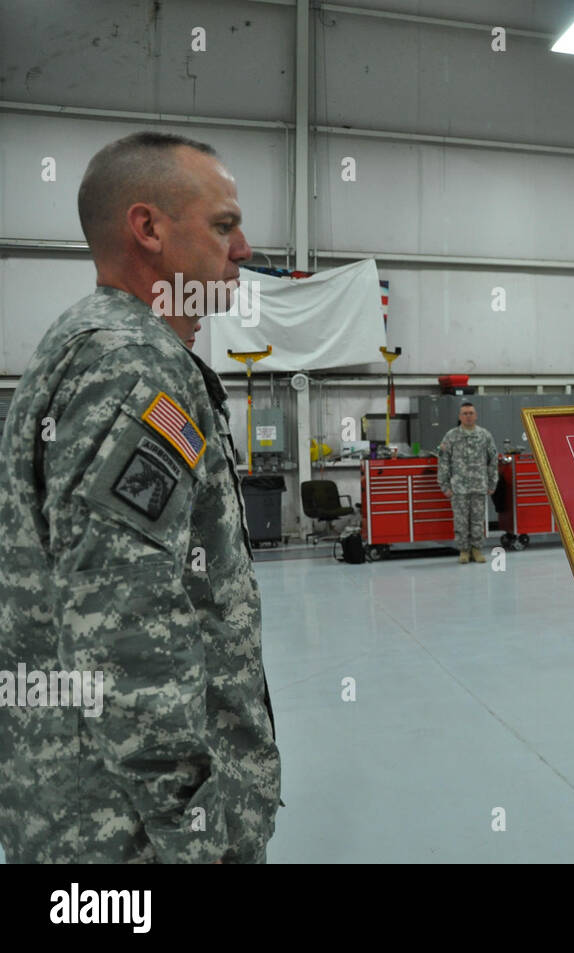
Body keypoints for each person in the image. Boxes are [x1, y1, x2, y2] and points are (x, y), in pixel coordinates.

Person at [0, 132, 281, 862]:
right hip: (128, 832)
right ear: (148, 228)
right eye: (224, 225)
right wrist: (198, 829)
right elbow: (123, 627)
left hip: (80, 802)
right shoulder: (134, 365)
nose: (244, 247)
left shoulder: (90, 342)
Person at [438, 401, 498, 563]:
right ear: (460, 416)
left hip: (479, 486)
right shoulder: (451, 436)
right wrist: (445, 486)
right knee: (461, 521)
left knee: (478, 520)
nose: (468, 416)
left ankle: (477, 550)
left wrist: (492, 483)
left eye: (471, 413)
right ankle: (464, 551)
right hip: (459, 488)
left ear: (476, 415)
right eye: (465, 413)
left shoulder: (485, 435)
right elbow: (443, 462)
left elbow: (493, 460)